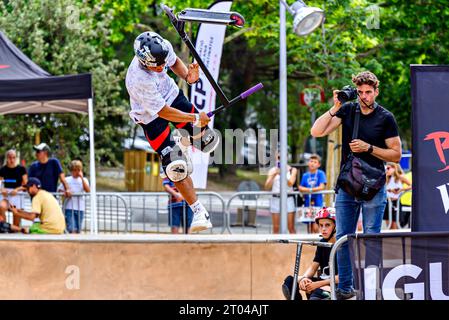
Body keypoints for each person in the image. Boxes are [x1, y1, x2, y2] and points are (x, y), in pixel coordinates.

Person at [311, 71, 401, 299]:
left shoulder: (386, 117)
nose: (363, 96)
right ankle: (345, 289)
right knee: (343, 237)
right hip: (348, 185)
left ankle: (371, 289)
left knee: (371, 237)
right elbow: (316, 131)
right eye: (360, 92)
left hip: (373, 187)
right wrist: (335, 106)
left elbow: (396, 155)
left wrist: (368, 148)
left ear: (376, 91)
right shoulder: (349, 110)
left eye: (368, 92)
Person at [125, 31, 220, 232]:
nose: (162, 68)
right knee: (176, 168)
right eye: (157, 66)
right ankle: (199, 212)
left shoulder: (161, 47)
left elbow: (175, 62)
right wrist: (195, 118)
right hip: (151, 116)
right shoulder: (137, 79)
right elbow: (164, 113)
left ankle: (184, 147)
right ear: (144, 62)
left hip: (172, 95)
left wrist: (189, 76)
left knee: (208, 142)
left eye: (162, 64)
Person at [282, 207, 338, 300]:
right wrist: (304, 278)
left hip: (337, 285)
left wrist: (317, 284)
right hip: (323, 281)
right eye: (320, 225)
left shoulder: (342, 245)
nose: (323, 229)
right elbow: (313, 267)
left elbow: (343, 278)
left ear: (335, 226)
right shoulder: (322, 242)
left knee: (316, 296)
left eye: (327, 225)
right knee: (290, 281)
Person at [264, 151, 298, 234]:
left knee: (290, 227)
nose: (280, 159)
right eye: (279, 157)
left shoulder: (292, 170)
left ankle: (294, 246)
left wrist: (282, 174)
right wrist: (274, 174)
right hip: (276, 199)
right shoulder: (272, 170)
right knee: (276, 228)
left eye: (282, 157)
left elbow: (290, 183)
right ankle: (275, 246)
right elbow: (267, 187)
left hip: (288, 198)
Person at [58, 160, 90, 234]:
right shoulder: (67, 180)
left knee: (78, 230)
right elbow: (59, 190)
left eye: (78, 170)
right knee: (72, 229)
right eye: (75, 170)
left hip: (80, 208)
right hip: (69, 207)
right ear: (71, 170)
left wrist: (82, 178)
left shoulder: (84, 180)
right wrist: (65, 193)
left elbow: (88, 190)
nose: (77, 172)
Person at [298, 154, 327, 233]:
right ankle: (309, 245)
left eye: (315, 162)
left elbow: (322, 187)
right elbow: (300, 187)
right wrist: (311, 190)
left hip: (318, 203)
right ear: (308, 163)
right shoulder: (305, 175)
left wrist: (308, 190)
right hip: (308, 203)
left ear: (318, 164)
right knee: (309, 226)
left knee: (316, 225)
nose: (312, 163)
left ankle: (317, 243)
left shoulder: (321, 173)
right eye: (311, 161)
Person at [0, 149, 28, 226]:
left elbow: (26, 185)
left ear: (16, 158)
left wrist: (17, 189)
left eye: (13, 157)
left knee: (16, 221)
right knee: (1, 206)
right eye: (9, 158)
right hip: (6, 196)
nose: (12, 160)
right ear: (6, 158)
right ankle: (4, 226)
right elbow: (0, 183)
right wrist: (2, 189)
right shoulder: (2, 169)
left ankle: (14, 228)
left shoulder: (21, 169)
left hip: (17, 195)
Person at [383, 162, 411, 229]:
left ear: (394, 168)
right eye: (386, 168)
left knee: (395, 225)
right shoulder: (386, 178)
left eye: (388, 168)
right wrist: (389, 190)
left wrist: (401, 189)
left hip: (396, 202)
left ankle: (395, 238)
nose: (387, 170)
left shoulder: (400, 177)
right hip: (387, 201)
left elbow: (411, 185)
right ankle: (389, 239)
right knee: (388, 225)